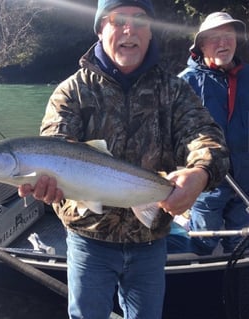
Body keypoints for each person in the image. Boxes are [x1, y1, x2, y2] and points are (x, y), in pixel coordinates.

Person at [19, 1, 229, 318]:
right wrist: (46, 183)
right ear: (101, 29)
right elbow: (55, 146)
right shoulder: (72, 92)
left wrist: (200, 173)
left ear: (150, 34)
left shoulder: (174, 90)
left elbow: (205, 135)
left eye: (140, 21)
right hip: (88, 241)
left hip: (150, 240)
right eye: (118, 20)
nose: (129, 29)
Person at [178, 12, 249, 255]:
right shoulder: (185, 83)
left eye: (228, 36)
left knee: (241, 247)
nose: (223, 43)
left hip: (245, 183)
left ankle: (236, 289)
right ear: (202, 45)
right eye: (215, 38)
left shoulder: (248, 77)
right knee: (202, 243)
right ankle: (200, 285)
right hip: (208, 184)